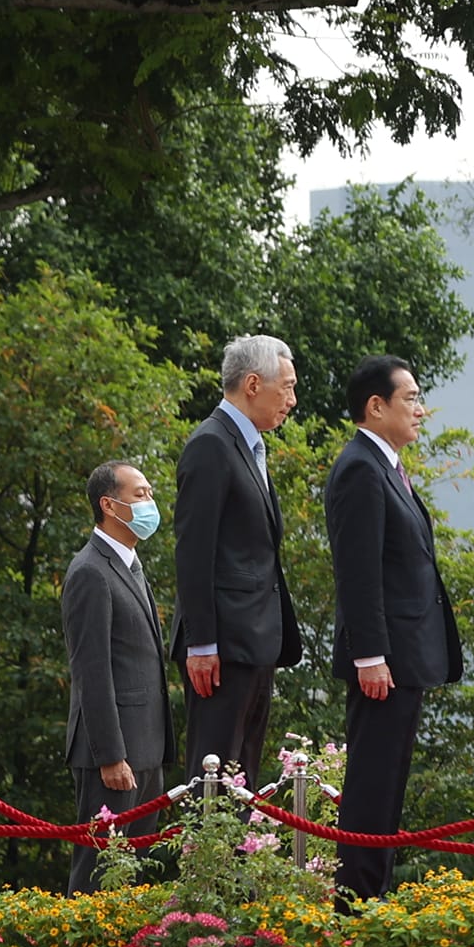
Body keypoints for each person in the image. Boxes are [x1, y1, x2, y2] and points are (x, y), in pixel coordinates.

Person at [324, 356, 464, 904]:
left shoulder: (387, 466)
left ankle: (371, 899)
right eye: (411, 398)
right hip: (384, 661)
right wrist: (370, 656)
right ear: (375, 406)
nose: (422, 410)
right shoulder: (360, 467)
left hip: (406, 656)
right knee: (371, 786)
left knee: (387, 786)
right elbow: (358, 573)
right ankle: (355, 908)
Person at [174, 335, 302, 789]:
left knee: (241, 777)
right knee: (213, 776)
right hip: (222, 647)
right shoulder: (211, 444)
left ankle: (236, 862)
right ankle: (206, 864)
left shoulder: (249, 446)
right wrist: (201, 644)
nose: (292, 399)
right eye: (285, 387)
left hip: (256, 639)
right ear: (252, 383)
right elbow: (193, 552)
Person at [60, 459, 173, 893]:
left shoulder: (129, 564)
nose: (151, 504)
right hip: (113, 754)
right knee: (98, 870)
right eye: (140, 495)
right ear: (109, 505)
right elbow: (91, 670)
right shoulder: (90, 570)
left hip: (146, 746)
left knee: (132, 874)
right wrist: (110, 754)